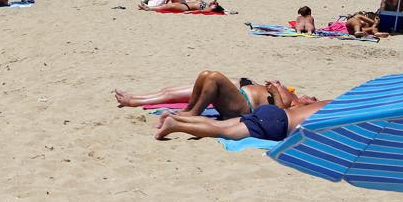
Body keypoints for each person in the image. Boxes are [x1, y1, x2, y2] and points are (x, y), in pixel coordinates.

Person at [114, 71, 311, 120]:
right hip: (242, 87)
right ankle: (135, 99)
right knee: (204, 76)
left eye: (314, 100)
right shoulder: (294, 96)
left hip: (244, 104)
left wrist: (276, 92)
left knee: (213, 77)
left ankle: (191, 114)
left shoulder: (298, 108)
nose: (313, 97)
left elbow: (281, 117)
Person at [154, 99, 330, 142]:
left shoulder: (331, 103)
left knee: (218, 124)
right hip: (277, 124)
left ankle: (174, 117)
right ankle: (174, 125)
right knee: (221, 132)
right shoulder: (336, 116)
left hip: (272, 112)